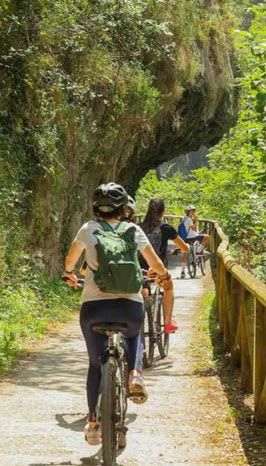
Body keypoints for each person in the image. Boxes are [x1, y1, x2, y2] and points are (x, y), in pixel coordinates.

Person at [63, 182, 172, 445]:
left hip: (94, 309)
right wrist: (163, 275)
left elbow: (70, 262)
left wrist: (69, 275)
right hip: (129, 307)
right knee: (133, 334)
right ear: (124, 209)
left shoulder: (88, 230)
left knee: (94, 365)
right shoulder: (133, 231)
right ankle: (135, 373)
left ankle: (93, 423)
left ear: (95, 209)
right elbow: (155, 263)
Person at [140, 198, 189, 333]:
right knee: (168, 287)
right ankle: (168, 322)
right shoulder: (166, 228)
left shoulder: (138, 228)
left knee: (142, 289)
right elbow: (184, 248)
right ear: (163, 212)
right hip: (157, 270)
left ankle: (144, 296)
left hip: (139, 271)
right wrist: (186, 248)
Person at [178, 205, 210, 279]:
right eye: (192, 211)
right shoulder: (189, 219)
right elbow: (194, 229)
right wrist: (195, 220)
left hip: (185, 238)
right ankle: (198, 251)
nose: (193, 213)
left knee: (185, 252)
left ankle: (183, 272)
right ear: (189, 212)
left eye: (193, 211)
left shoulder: (184, 218)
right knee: (207, 237)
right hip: (192, 237)